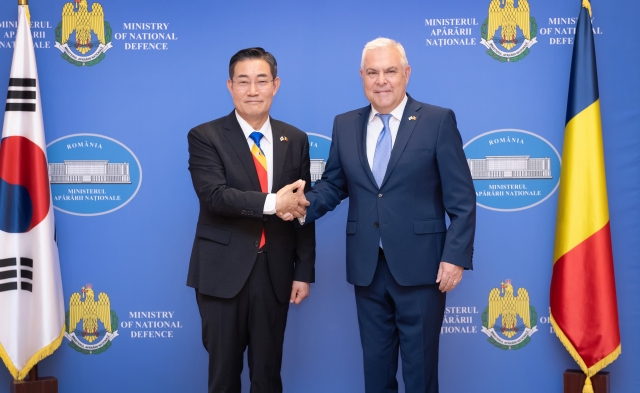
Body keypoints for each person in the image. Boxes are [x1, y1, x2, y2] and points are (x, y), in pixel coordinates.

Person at [295, 38, 476, 392]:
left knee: (420, 372)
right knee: (375, 372)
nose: (382, 80)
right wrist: (300, 206)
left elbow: (462, 199)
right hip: (367, 268)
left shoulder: (438, 121)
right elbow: (334, 184)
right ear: (361, 76)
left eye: (390, 71)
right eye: (373, 72)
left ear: (406, 74)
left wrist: (454, 257)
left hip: (423, 269)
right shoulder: (345, 124)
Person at [186, 47, 315, 393]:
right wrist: (274, 203)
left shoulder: (296, 139)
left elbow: (303, 210)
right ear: (230, 86)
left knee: (268, 375)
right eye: (243, 81)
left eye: (261, 81)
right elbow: (214, 196)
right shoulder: (205, 136)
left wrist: (303, 271)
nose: (253, 90)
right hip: (222, 274)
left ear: (276, 85)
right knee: (223, 376)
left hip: (274, 273)